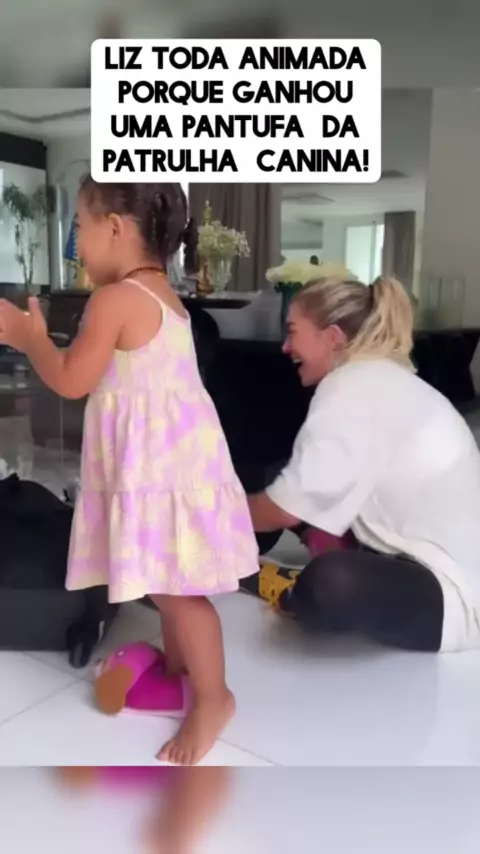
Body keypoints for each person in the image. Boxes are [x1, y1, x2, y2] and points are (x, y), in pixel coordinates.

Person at [0, 179, 259, 764]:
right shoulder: (165, 297)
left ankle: (214, 698)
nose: (76, 244)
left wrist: (31, 340)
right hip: (174, 464)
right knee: (171, 581)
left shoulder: (114, 300)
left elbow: (72, 379)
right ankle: (179, 671)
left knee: (177, 592)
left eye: (80, 227)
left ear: (114, 228)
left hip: (161, 471)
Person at [248, 275, 480, 653]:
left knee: (330, 583)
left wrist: (214, 518)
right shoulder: (376, 377)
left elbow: (287, 508)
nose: (286, 346)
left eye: (292, 332)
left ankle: (280, 586)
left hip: (454, 596)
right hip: (412, 559)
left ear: (333, 337)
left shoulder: (350, 385)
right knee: (274, 479)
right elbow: (311, 488)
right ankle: (251, 563)